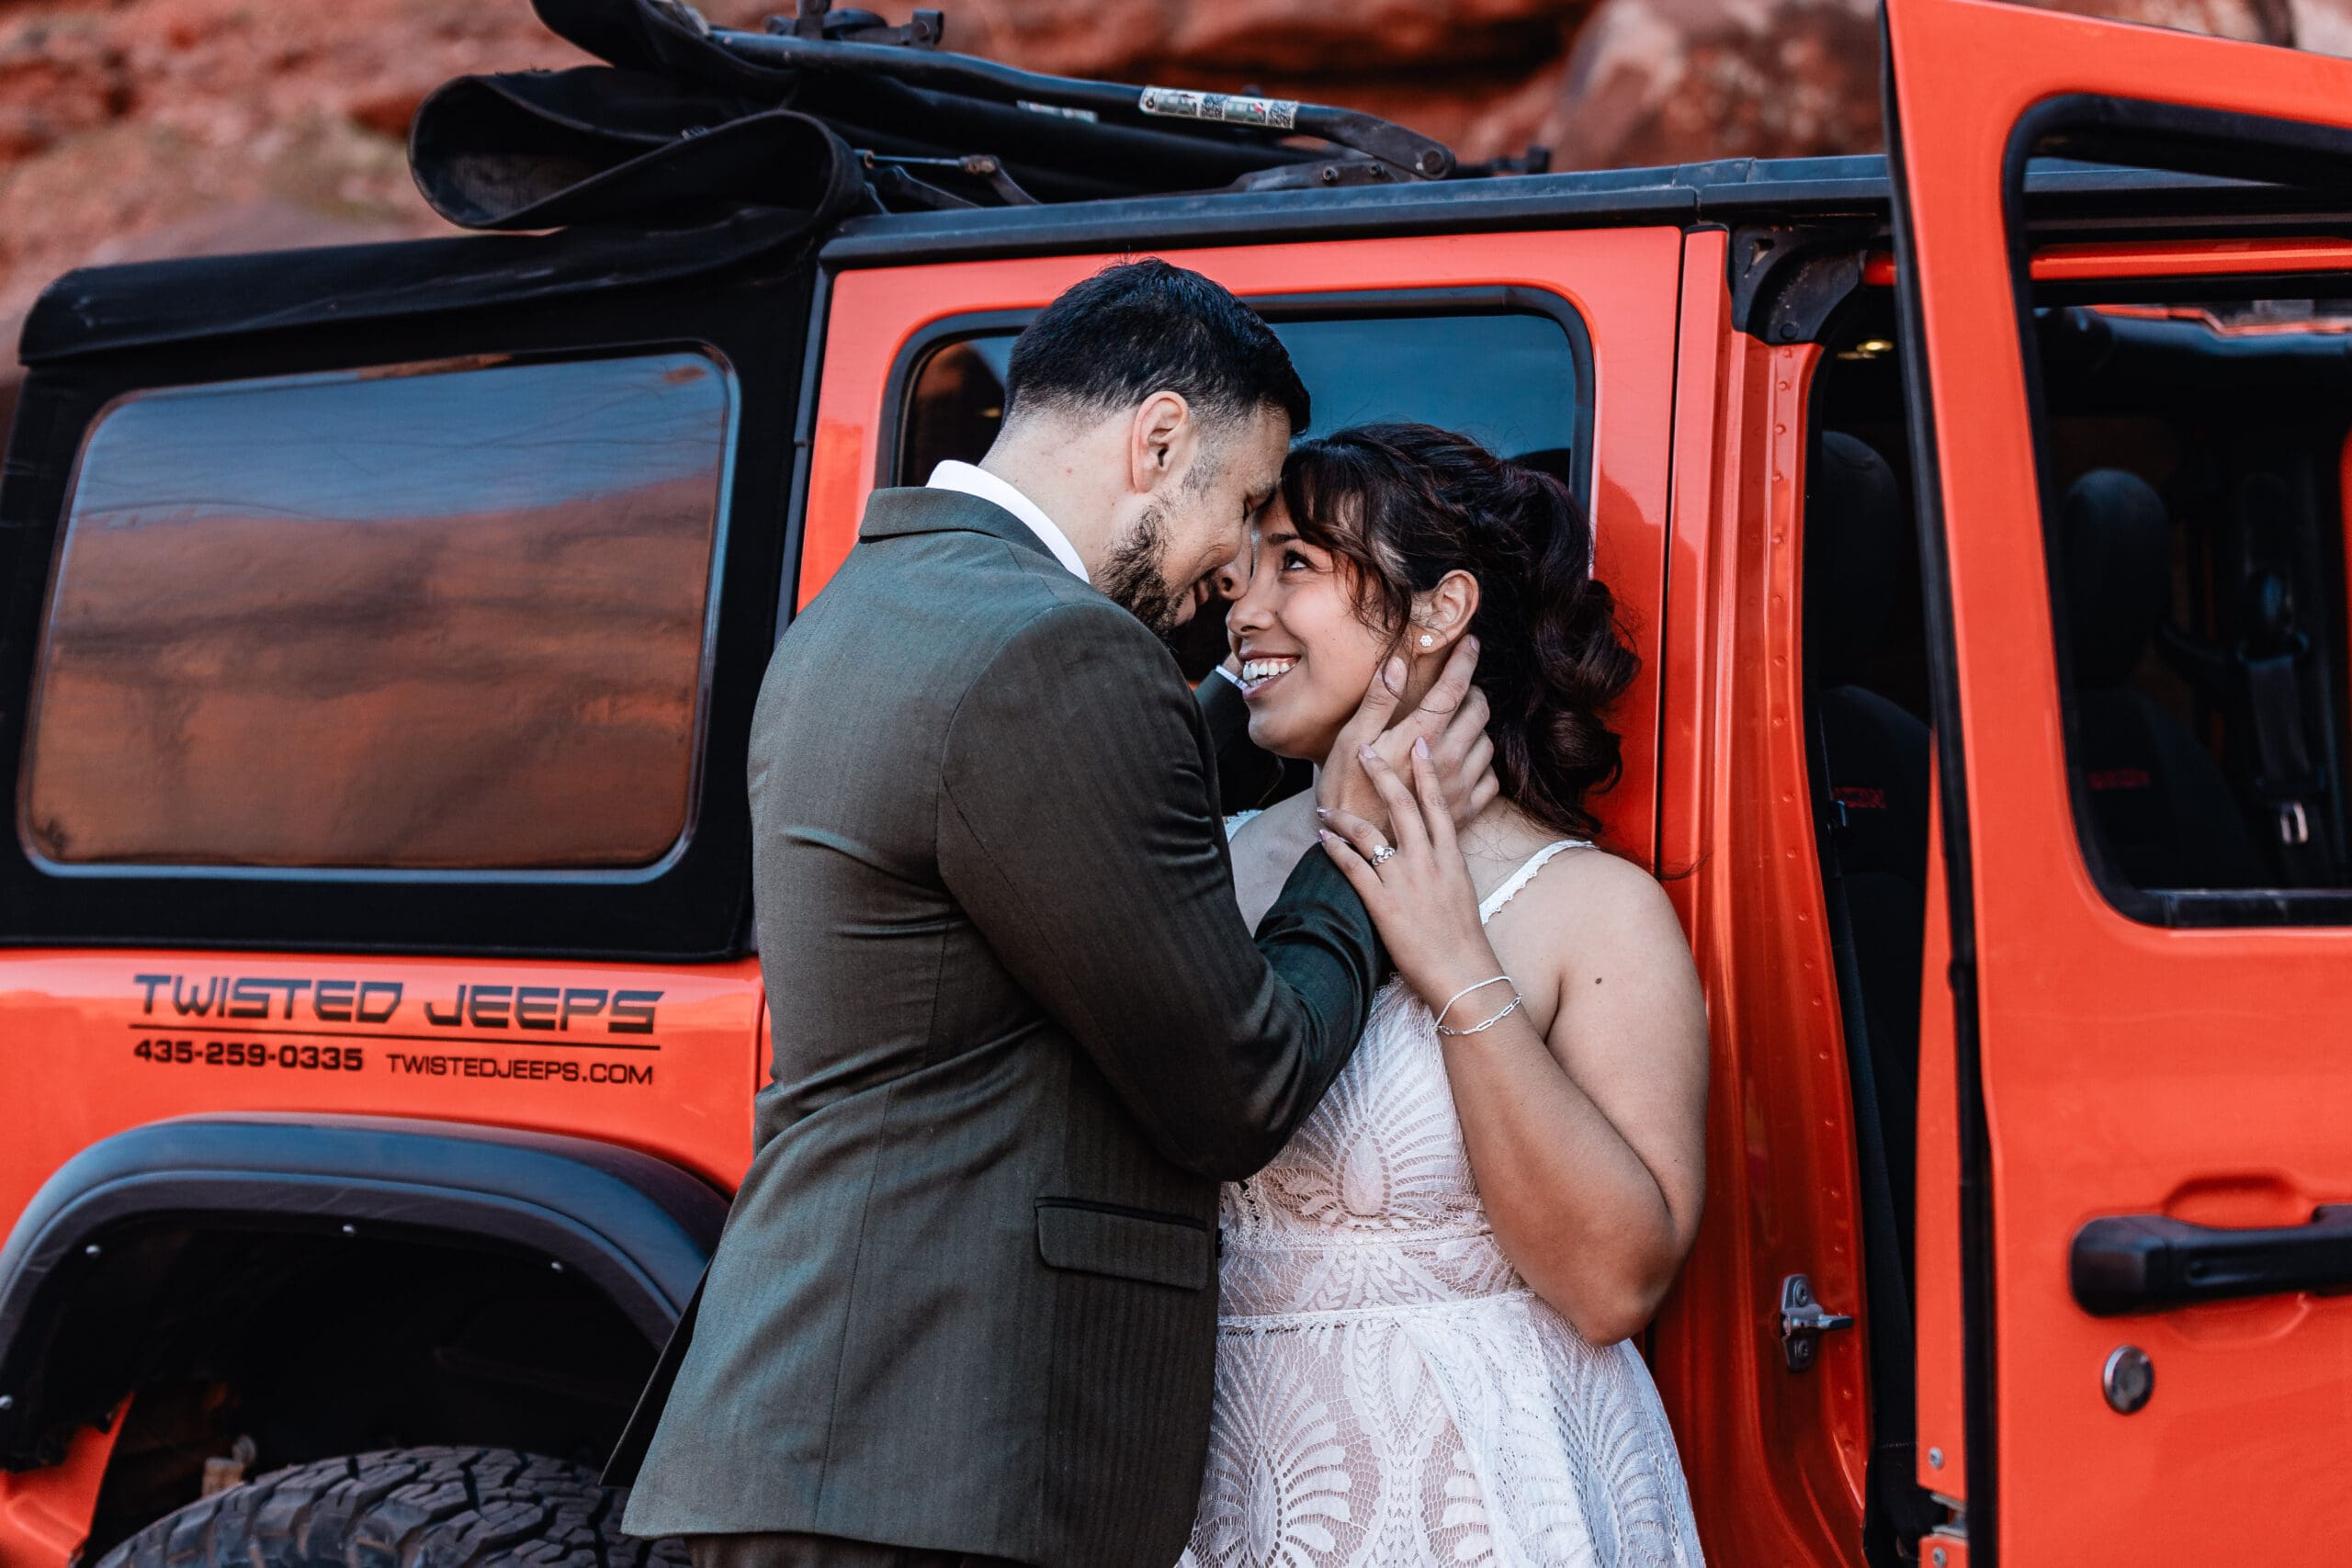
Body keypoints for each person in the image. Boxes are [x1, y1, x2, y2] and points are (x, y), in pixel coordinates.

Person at [614, 263, 1498, 1568]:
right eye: (1247, 503)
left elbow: (1054, 817)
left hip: (832, 1432)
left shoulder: (866, 611)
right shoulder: (1061, 652)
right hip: (940, 1460)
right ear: (1157, 440)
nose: (1228, 574)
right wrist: (1357, 834)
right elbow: (1238, 1089)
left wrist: (1261, 722)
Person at [1180, 423, 1710, 1568]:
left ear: (1438, 608)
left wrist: (1455, 964)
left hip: (1488, 1490)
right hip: (1217, 1485)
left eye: (1297, 566)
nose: (1243, 607)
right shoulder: (1199, 866)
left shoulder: (1594, 910)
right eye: (1244, 567)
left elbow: (1615, 1282)